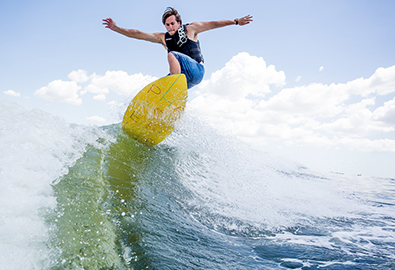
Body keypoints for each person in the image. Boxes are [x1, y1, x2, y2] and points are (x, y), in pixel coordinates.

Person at [103, 7, 253, 89]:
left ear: (179, 22)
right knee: (156, 88)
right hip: (184, 78)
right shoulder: (163, 38)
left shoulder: (191, 29)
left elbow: (213, 23)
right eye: (167, 25)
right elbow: (138, 34)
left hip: (197, 70)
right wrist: (117, 28)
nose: (170, 27)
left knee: (172, 55)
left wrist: (235, 21)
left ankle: (174, 90)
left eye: (172, 23)